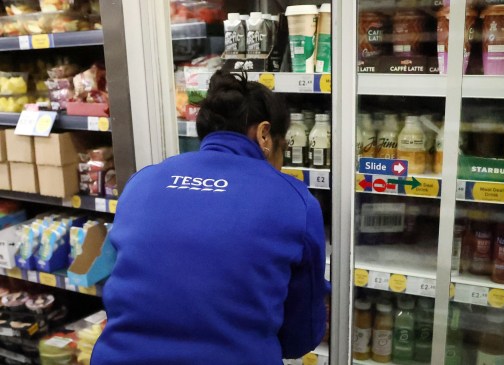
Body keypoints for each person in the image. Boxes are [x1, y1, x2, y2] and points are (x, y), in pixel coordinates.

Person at [91, 71, 328, 365]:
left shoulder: (143, 181)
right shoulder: (296, 201)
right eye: (285, 147)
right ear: (265, 134)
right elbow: (300, 337)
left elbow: (122, 281)